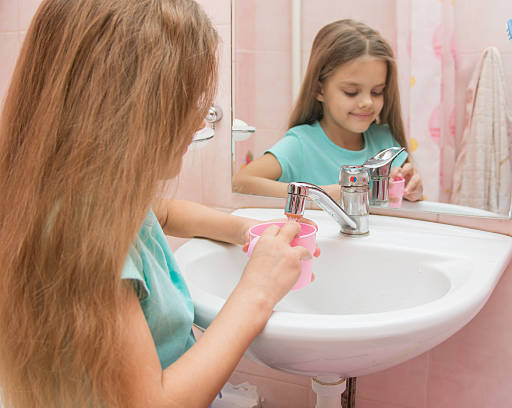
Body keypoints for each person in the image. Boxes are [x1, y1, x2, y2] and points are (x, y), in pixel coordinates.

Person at [0, 1, 315, 407]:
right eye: (187, 100)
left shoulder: (88, 192)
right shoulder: (79, 232)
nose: (202, 119)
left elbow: (162, 214)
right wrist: (258, 289)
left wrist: (245, 231)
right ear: (127, 110)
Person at [233, 19, 423, 202]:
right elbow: (241, 183)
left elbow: (404, 203)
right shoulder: (300, 145)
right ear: (319, 90)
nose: (367, 102)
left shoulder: (385, 143)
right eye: (351, 92)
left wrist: (411, 191)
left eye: (377, 92)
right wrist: (326, 194)